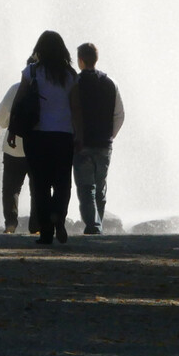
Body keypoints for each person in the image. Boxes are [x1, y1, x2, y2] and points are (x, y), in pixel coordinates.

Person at [9, 30, 79, 245]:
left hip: (37, 135)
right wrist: (80, 135)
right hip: (64, 135)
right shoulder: (70, 75)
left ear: (39, 49)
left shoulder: (31, 72)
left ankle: (46, 231)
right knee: (62, 182)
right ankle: (58, 216)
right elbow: (76, 108)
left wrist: (12, 130)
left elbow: (18, 102)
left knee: (39, 184)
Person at [72, 43, 125, 235]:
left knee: (86, 188)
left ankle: (93, 225)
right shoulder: (111, 83)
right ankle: (97, 223)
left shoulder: (74, 84)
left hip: (82, 143)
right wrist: (110, 136)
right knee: (100, 187)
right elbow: (119, 115)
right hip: (104, 144)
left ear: (80, 60)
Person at [0, 56, 39, 235]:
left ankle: (10, 225)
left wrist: (8, 123)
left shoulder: (16, 88)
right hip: (39, 146)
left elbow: (0, 116)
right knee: (38, 188)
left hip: (14, 147)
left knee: (11, 188)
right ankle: (36, 227)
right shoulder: (47, 90)